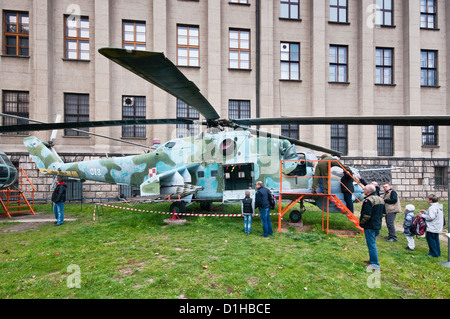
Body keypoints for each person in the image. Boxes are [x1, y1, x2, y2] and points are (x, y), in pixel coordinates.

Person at [359, 184, 385, 270]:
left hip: (370, 225)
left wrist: (362, 223)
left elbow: (367, 215)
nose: (363, 190)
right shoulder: (381, 199)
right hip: (377, 225)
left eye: (365, 189)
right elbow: (384, 213)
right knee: (372, 243)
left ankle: (375, 264)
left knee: (371, 245)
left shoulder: (368, 201)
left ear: (368, 191)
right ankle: (372, 260)